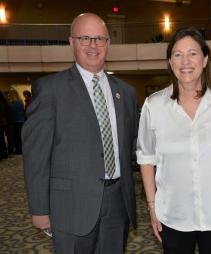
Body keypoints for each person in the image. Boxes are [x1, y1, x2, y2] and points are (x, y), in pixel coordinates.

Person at [22, 13, 138, 253]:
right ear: (71, 42)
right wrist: (40, 209)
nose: (93, 45)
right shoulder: (51, 89)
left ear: (109, 44)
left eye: (100, 38)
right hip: (70, 206)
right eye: (85, 38)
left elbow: (135, 146)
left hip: (118, 204)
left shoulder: (125, 93)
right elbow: (36, 155)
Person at [136, 27, 211, 254]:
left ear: (205, 58)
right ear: (170, 62)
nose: (185, 61)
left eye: (192, 53)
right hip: (173, 215)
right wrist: (152, 207)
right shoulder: (154, 105)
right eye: (177, 55)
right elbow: (146, 157)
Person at [7, 89, 25, 154]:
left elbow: (13, 113)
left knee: (16, 137)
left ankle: (18, 150)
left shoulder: (14, 103)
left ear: (12, 95)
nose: (8, 96)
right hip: (21, 121)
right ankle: (20, 150)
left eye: (9, 94)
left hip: (16, 122)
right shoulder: (20, 102)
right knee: (19, 137)